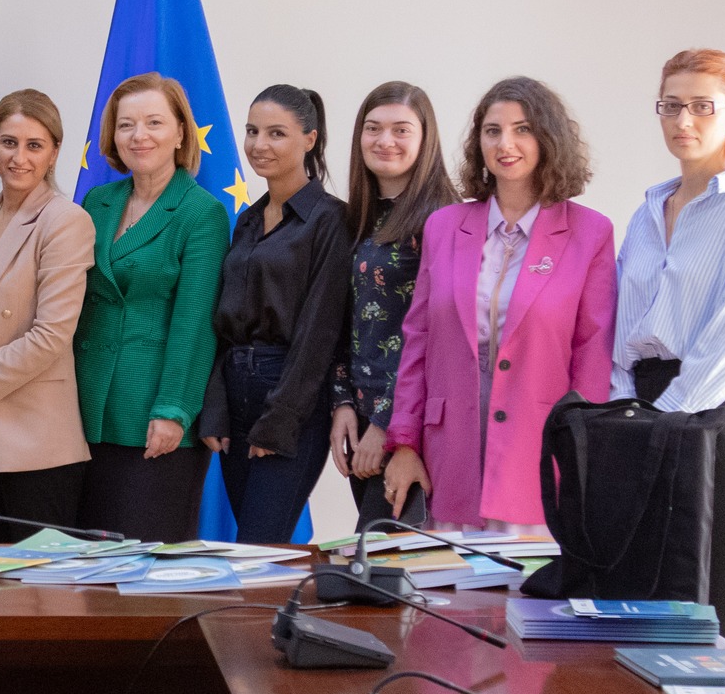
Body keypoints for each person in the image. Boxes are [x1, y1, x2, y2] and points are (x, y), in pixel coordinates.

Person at [612, 50, 725, 648]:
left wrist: (663, 420)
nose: (682, 120)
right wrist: (624, 415)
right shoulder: (647, 213)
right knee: (646, 626)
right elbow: (623, 329)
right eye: (671, 106)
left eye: (701, 106)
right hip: (646, 417)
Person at [385, 77, 616, 532]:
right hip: (448, 455)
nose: (505, 144)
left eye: (522, 129)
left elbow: (592, 353)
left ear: (548, 138)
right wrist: (405, 442)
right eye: (492, 131)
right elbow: (418, 340)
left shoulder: (591, 233)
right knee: (447, 576)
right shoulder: (443, 226)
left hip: (539, 455)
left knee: (530, 578)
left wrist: (581, 453)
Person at [71, 75, 228, 543]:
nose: (139, 135)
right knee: (87, 565)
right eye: (126, 125)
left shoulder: (201, 213)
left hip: (154, 417)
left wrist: (173, 410)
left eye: (154, 122)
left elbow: (194, 324)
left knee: (148, 563)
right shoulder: (98, 202)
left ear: (181, 132)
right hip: (84, 411)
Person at [0, 90, 96, 543]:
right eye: (8, 142)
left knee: (39, 578)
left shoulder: (65, 220)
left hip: (36, 437)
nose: (19, 157)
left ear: (54, 153)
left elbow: (52, 333)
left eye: (34, 145)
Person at [199, 86, 351, 543]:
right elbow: (223, 321)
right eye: (252, 131)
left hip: (289, 397)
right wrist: (216, 407)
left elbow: (319, 332)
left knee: (258, 547)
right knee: (248, 547)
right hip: (236, 394)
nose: (259, 144)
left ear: (310, 139)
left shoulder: (331, 219)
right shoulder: (247, 219)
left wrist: (280, 419)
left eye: (276, 133)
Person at [328, 83, 457, 531]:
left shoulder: (444, 220)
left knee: (389, 558)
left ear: (425, 139)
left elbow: (436, 337)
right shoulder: (357, 218)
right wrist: (343, 403)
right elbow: (341, 320)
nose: (385, 141)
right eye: (373, 128)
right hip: (361, 418)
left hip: (410, 425)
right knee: (377, 555)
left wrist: (388, 426)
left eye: (401, 129)